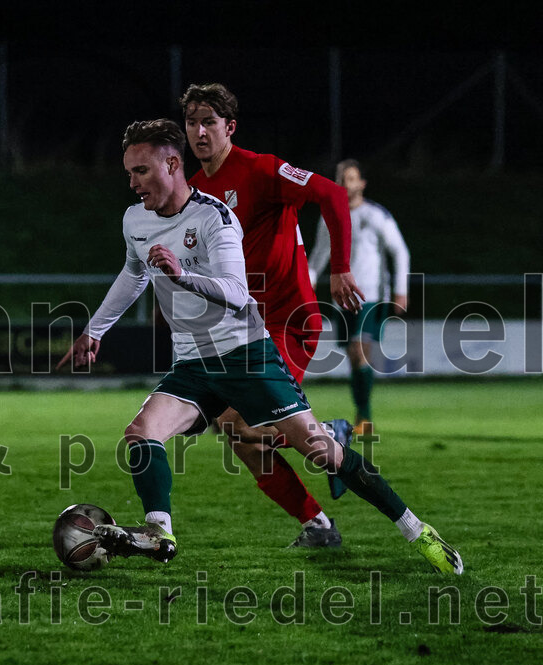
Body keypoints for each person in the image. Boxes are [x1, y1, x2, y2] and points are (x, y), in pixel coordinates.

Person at [58, 119, 461, 574]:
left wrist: (180, 277)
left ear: (173, 164)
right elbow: (133, 274)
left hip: (245, 354)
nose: (132, 183)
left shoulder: (214, 216)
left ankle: (417, 530)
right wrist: (95, 329)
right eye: (129, 172)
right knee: (141, 433)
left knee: (319, 451)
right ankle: (158, 531)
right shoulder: (135, 219)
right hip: (193, 361)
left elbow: (235, 291)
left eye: (141, 171)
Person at [179, 83, 363, 546]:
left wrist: (340, 267)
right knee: (236, 435)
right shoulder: (195, 193)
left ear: (229, 127)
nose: (199, 132)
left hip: (289, 319)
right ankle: (316, 525)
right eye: (192, 122)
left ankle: (327, 435)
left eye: (209, 122)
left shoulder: (261, 170)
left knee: (243, 425)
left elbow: (333, 196)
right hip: (240, 331)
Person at [309, 159, 410, 436]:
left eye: (351, 178)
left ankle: (364, 417)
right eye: (341, 178)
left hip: (370, 295)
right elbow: (319, 255)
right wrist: (306, 285)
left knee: (358, 349)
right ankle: (362, 413)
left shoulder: (376, 215)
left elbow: (400, 251)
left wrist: (401, 289)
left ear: (362, 184)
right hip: (341, 299)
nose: (345, 183)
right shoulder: (329, 214)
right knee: (355, 357)